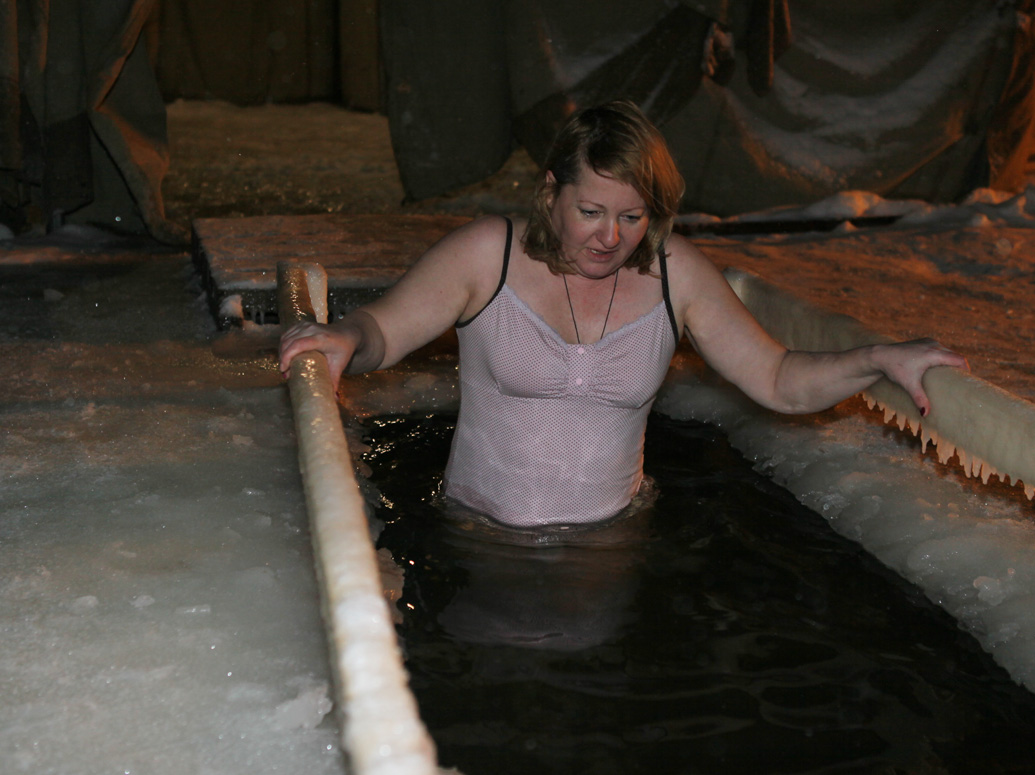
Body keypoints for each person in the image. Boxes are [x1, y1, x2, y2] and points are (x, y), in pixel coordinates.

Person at [279, 100, 966, 527]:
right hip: (480, 533)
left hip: (608, 538)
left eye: (632, 217)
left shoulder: (675, 273)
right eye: (591, 211)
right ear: (551, 192)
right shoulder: (488, 255)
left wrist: (877, 357)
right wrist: (342, 338)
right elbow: (382, 330)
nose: (610, 237)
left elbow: (778, 379)